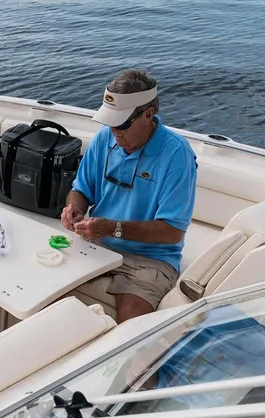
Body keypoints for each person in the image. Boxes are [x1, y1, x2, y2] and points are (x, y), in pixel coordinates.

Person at [62, 69, 198, 323]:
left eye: (122, 123)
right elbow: (80, 189)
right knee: (47, 286)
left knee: (130, 324)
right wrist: (74, 208)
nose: (115, 132)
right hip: (97, 242)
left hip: (151, 259)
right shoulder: (105, 138)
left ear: (148, 115)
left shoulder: (177, 155)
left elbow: (172, 232)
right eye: (110, 123)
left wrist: (112, 228)